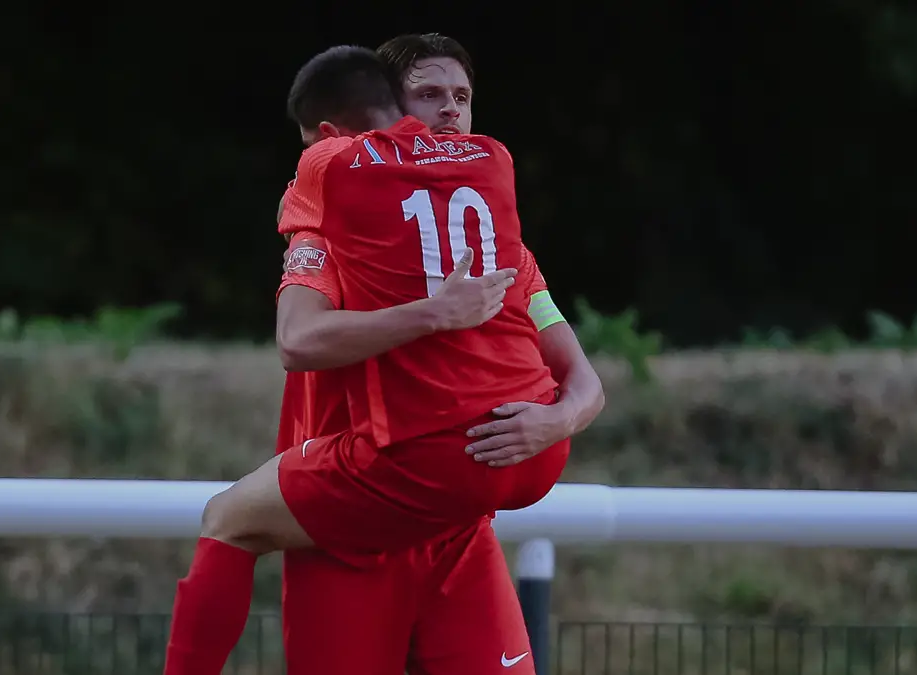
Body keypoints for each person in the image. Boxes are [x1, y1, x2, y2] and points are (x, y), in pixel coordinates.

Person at [163, 45, 603, 675]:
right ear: (393, 115)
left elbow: (582, 378)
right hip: (357, 522)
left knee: (227, 519)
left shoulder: (499, 245)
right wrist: (434, 313)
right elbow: (302, 339)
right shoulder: (331, 227)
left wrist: (555, 421)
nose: (447, 114)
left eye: (462, 98)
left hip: (446, 512)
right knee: (233, 519)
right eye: (428, 98)